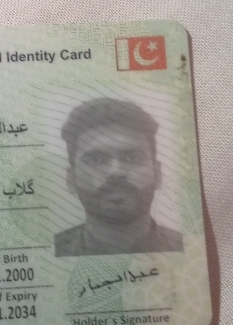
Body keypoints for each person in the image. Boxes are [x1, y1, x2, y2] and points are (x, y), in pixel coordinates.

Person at [55, 97, 184, 256]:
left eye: (132, 158)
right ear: (71, 179)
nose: (115, 171)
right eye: (96, 160)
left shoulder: (192, 249)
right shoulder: (48, 251)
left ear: (157, 174)